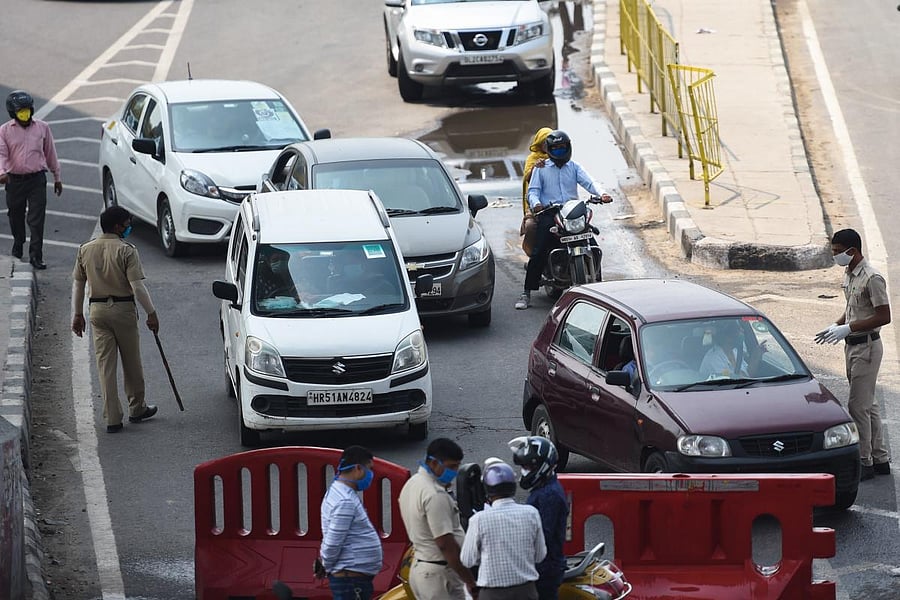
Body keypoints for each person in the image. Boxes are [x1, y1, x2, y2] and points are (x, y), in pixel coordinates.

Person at [71, 207, 159, 433]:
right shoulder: (127, 251)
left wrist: (78, 314)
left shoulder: (85, 249)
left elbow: (79, 284)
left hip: (97, 310)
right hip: (123, 310)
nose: (129, 226)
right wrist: (151, 312)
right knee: (131, 362)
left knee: (105, 366)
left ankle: (112, 417)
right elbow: (137, 287)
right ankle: (137, 407)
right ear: (118, 226)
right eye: (127, 223)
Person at [815, 228, 892, 481]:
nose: (835, 257)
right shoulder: (849, 273)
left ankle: (864, 461)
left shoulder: (872, 278)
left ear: (852, 251)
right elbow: (852, 309)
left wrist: (848, 328)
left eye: (838, 252)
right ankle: (880, 458)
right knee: (869, 405)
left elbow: (884, 316)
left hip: (867, 347)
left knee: (857, 406)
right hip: (853, 344)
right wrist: (837, 325)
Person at [516, 130, 611, 310]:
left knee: (593, 245)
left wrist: (602, 194)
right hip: (550, 213)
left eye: (563, 148)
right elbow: (533, 191)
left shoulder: (574, 167)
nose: (560, 151)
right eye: (556, 148)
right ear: (550, 150)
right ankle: (526, 292)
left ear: (568, 148)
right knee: (539, 250)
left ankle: (600, 287)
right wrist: (536, 204)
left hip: (573, 213)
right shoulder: (540, 168)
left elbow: (590, 183)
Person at [398, 438, 478, 600]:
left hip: (422, 567)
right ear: (434, 463)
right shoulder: (435, 495)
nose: (454, 472)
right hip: (439, 575)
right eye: (451, 467)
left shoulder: (412, 484)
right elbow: (445, 544)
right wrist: (469, 580)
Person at [460, 461, 546, 600]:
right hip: (526, 591)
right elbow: (540, 556)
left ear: (487, 489)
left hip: (492, 594)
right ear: (513, 486)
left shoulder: (479, 519)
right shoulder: (531, 513)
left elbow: (467, 560)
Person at [0, 90, 63, 269]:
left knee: (36, 219)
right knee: (15, 215)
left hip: (37, 180)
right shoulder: (4, 131)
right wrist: (2, 172)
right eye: (21, 112)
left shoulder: (42, 127)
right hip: (14, 180)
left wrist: (57, 176)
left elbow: (50, 152)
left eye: (28, 111)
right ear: (13, 113)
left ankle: (36, 255)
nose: (25, 115)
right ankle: (18, 243)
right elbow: (1, 154)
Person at [318, 445, 383, 600]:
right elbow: (333, 542)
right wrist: (325, 566)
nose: (371, 475)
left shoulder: (338, 491)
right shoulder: (345, 501)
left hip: (351, 579)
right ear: (358, 469)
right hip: (351, 582)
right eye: (369, 469)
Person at [509, 436, 568, 600]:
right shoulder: (543, 488)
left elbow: (541, 535)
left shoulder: (549, 495)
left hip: (545, 570)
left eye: (528, 466)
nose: (524, 471)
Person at [520, 127, 553, 258]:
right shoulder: (533, 159)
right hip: (538, 203)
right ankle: (533, 255)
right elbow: (527, 178)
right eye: (544, 142)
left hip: (556, 201)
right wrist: (536, 167)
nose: (547, 146)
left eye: (549, 142)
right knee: (531, 226)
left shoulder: (559, 156)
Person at [698, 320, 767, 380]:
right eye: (738, 332)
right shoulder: (713, 359)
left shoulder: (735, 352)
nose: (742, 334)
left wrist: (756, 355)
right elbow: (730, 382)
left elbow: (748, 375)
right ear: (727, 338)